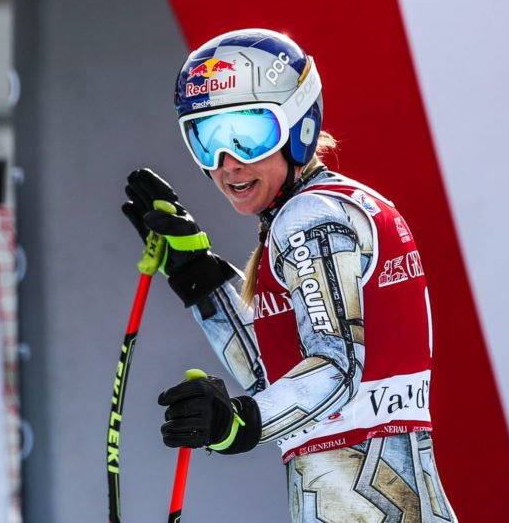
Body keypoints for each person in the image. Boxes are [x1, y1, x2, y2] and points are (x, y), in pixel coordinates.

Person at [122, 28, 457, 522]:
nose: (228, 164)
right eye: (206, 138)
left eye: (249, 135)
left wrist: (236, 423)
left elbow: (334, 369)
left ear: (299, 125)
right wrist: (198, 275)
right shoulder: (327, 209)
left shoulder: (309, 219)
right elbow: (280, 376)